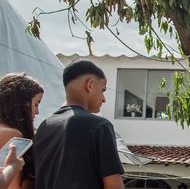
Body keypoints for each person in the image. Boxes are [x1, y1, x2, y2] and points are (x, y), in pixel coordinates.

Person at [33, 60, 124, 189]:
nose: (104, 99)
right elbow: (114, 186)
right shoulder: (99, 126)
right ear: (90, 85)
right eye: (103, 90)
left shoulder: (43, 127)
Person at [0, 73, 44, 189]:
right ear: (21, 103)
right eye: (36, 104)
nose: (37, 112)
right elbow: (13, 186)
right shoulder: (13, 135)